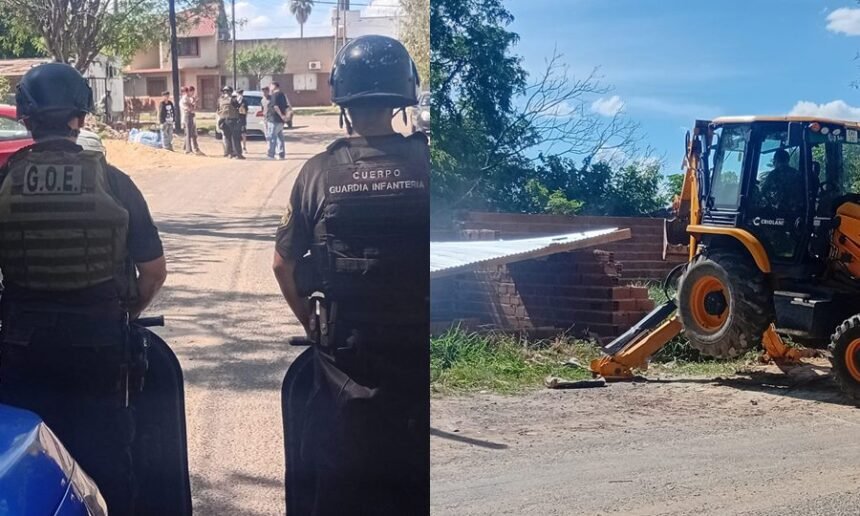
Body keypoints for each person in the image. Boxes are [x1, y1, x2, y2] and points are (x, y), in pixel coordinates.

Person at [0, 62, 168, 514]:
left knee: (29, 459)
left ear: (26, 119)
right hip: (100, 346)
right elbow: (152, 271)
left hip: (21, 349)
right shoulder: (114, 182)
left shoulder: (3, 183)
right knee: (108, 461)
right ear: (82, 117)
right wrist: (125, 313)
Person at [273, 35, 429, 516]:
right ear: (403, 98)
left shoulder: (317, 173)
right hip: (419, 351)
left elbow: (283, 264)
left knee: (341, 484)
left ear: (342, 101)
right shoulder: (428, 165)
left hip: (345, 354)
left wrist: (312, 326)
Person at [217, 85, 244, 159]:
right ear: (231, 92)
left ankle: (230, 154)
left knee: (228, 137)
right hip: (232, 120)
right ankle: (238, 154)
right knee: (236, 137)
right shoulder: (232, 100)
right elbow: (238, 107)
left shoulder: (220, 100)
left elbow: (218, 109)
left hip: (223, 120)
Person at [266, 81, 288, 159]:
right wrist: (284, 116)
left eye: (271, 86)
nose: (270, 87)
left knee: (272, 136)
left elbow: (275, 106)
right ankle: (281, 154)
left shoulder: (274, 95)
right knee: (280, 136)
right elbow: (286, 107)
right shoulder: (282, 95)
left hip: (274, 118)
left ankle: (271, 154)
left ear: (274, 86)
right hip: (280, 120)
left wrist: (281, 115)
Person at [181, 85, 204, 155]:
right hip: (187, 116)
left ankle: (194, 148)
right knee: (188, 133)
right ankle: (188, 150)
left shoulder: (190, 98)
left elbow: (195, 107)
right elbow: (188, 108)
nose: (192, 93)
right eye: (191, 92)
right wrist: (193, 104)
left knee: (194, 133)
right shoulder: (184, 99)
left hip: (192, 116)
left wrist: (195, 102)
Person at [236, 88, 249, 153]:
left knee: (242, 133)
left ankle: (243, 147)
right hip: (239, 118)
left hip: (240, 118)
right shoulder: (236, 100)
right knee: (241, 133)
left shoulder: (243, 101)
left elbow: (246, 110)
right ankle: (240, 147)